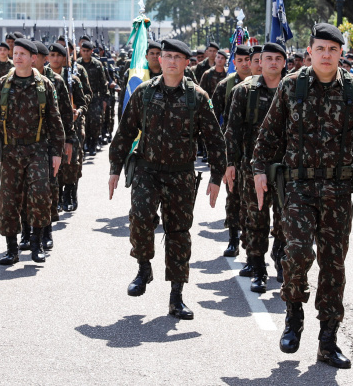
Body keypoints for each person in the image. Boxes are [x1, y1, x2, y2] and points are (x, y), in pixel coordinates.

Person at [251, 23, 353, 367]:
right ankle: (294, 315)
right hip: (298, 186)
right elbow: (269, 131)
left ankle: (328, 338)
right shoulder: (293, 85)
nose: (326, 55)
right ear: (310, 51)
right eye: (321, 49)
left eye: (333, 50)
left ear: (341, 54)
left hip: (339, 190)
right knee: (295, 252)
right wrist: (259, 169)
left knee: (333, 264)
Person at [107, 38, 225, 320]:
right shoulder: (145, 93)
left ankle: (176, 296)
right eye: (166, 56)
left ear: (187, 63)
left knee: (178, 234)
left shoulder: (197, 98)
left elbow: (215, 140)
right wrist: (114, 168)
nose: (171, 61)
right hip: (147, 171)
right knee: (140, 217)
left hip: (181, 175)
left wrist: (217, 177)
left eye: (177, 57)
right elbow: (125, 132)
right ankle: (143, 267)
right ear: (159, 60)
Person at [0, 38, 66, 265]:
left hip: (37, 150)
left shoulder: (45, 85)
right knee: (9, 200)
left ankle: (36, 245)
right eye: (15, 53)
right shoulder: (2, 85)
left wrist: (57, 152)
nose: (17, 57)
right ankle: (11, 249)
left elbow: (55, 121)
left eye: (22, 54)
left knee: (39, 196)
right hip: (9, 151)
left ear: (33, 59)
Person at [224, 42, 286, 292]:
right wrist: (230, 163)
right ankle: (258, 268)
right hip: (252, 166)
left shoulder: (293, 90)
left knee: (285, 219)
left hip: (285, 168)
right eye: (266, 58)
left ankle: (282, 260)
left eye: (277, 59)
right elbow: (233, 130)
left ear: (284, 62)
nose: (271, 63)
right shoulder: (244, 91)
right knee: (256, 219)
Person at [31, 41, 76, 250]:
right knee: (24, 191)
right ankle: (27, 233)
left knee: (47, 189)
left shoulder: (55, 81)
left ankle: (46, 231)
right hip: (26, 145)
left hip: (50, 144)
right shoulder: (18, 79)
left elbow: (66, 113)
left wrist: (68, 140)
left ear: (42, 59)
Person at [212, 44, 252, 258]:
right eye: (241, 60)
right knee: (234, 196)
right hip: (233, 150)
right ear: (234, 62)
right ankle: (233, 238)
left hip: (256, 152)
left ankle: (252, 241)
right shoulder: (225, 86)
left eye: (249, 60)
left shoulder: (262, 84)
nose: (245, 64)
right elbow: (212, 118)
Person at [49, 42, 88, 213]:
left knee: (72, 161)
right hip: (53, 127)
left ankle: (70, 192)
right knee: (55, 160)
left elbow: (84, 101)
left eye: (58, 55)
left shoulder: (73, 78)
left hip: (73, 125)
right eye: (52, 55)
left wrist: (77, 111)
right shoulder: (44, 78)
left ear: (64, 58)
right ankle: (57, 195)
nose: (55, 58)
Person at [78, 41, 108, 155]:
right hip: (82, 98)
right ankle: (85, 144)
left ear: (91, 51)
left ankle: (93, 144)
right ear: (81, 51)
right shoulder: (77, 65)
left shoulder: (97, 64)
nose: (85, 53)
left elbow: (103, 82)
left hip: (95, 98)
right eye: (83, 51)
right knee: (84, 122)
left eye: (87, 51)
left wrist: (105, 99)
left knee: (95, 122)